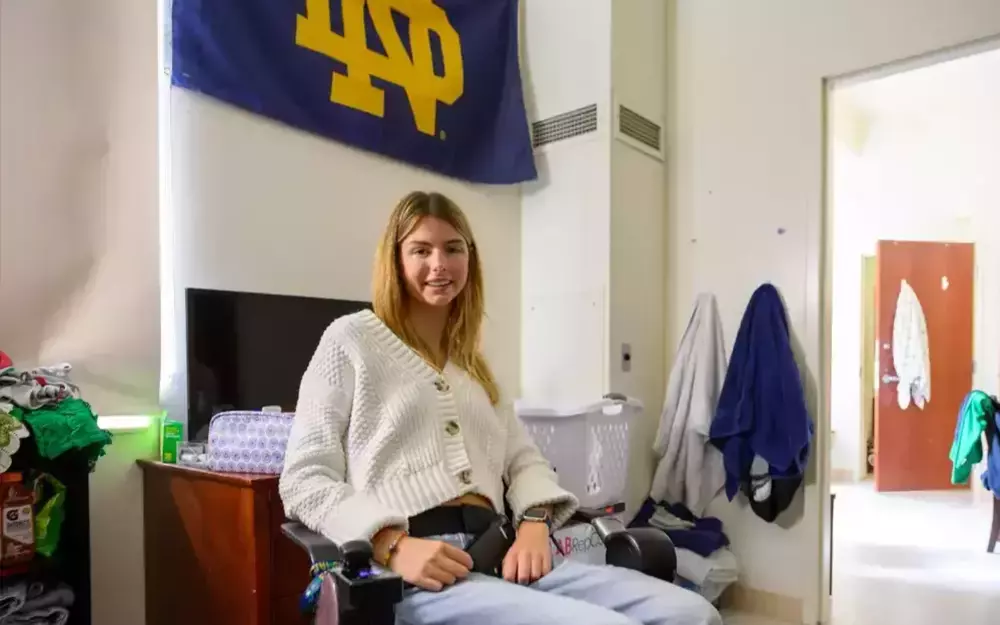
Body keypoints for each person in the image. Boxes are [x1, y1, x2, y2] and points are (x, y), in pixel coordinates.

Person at [279, 191, 722, 625]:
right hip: (418, 573)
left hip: (503, 553)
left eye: (454, 248)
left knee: (693, 612)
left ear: (470, 259)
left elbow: (525, 460)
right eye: (421, 250)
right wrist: (391, 545)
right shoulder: (350, 340)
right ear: (394, 260)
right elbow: (303, 480)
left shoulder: (474, 369)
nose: (440, 264)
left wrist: (534, 522)